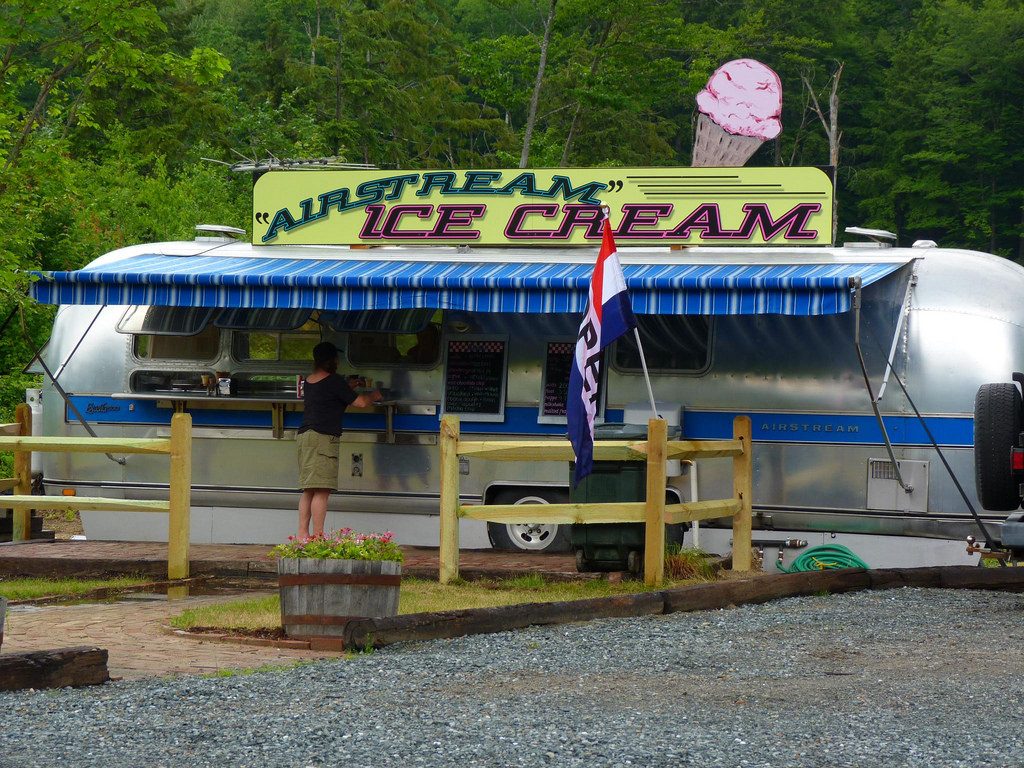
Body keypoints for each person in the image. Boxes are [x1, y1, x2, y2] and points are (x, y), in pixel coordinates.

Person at [296, 341, 382, 538]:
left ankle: (302, 535)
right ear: (331, 360)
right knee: (322, 490)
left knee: (308, 489)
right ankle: (318, 537)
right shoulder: (334, 382)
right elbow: (360, 403)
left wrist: (347, 386)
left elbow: (328, 396)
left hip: (305, 436)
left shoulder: (309, 381)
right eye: (336, 358)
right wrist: (374, 395)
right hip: (323, 438)